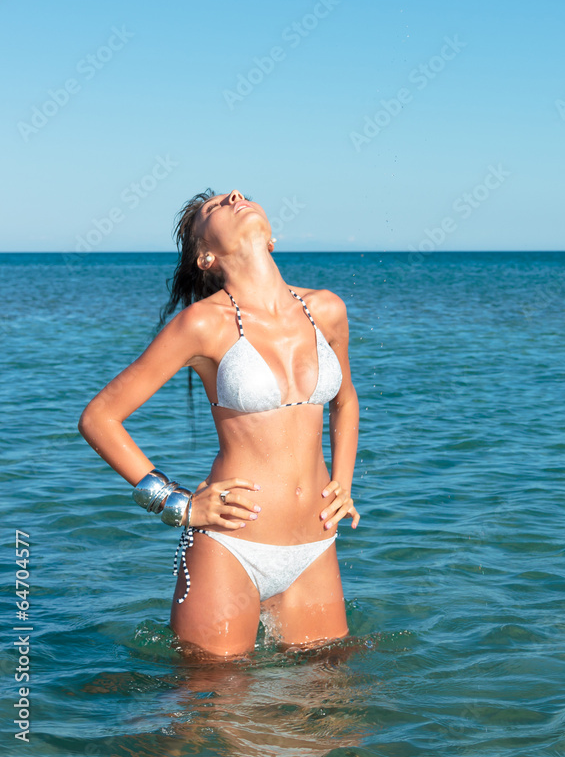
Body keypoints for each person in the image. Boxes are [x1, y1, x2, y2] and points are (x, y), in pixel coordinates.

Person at [78, 187, 360, 658]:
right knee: (210, 717)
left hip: (314, 543)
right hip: (230, 547)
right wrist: (176, 504)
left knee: (330, 712)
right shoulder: (201, 325)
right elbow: (99, 417)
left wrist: (344, 483)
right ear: (205, 255)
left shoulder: (327, 309)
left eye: (239, 195)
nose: (234, 195)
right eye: (213, 208)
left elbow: (345, 402)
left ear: (272, 238)